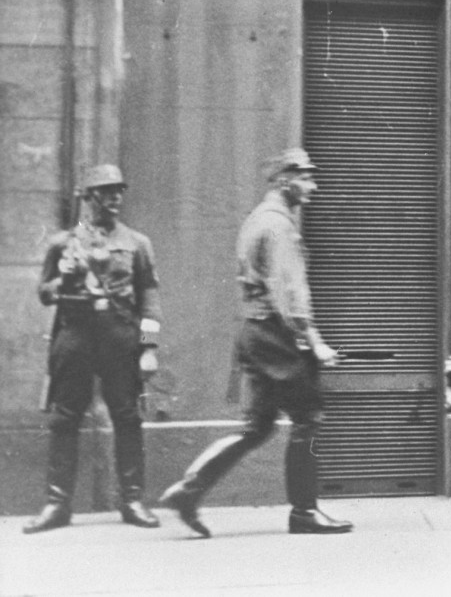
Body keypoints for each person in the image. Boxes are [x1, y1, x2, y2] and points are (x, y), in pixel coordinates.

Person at [160, 148, 352, 537]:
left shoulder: (257, 219)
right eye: (306, 178)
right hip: (276, 336)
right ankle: (304, 512)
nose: (313, 186)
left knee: (257, 428)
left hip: (255, 332)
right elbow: (290, 293)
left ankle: (188, 492)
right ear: (285, 180)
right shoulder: (279, 227)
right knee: (308, 418)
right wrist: (314, 341)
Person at [25, 164, 163, 534]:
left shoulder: (137, 243)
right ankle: (57, 504)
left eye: (118, 191)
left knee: (127, 416)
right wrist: (64, 278)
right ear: (88, 197)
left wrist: (149, 349)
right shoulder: (64, 243)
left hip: (119, 336)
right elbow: (44, 293)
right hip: (76, 336)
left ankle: (132, 500)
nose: (114, 198)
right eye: (105, 191)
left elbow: (149, 300)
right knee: (65, 417)